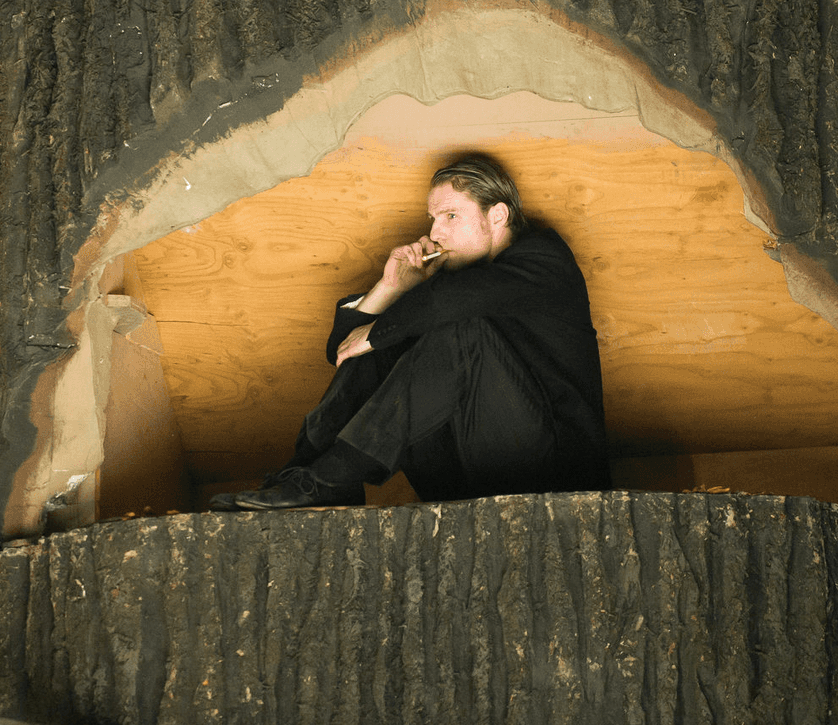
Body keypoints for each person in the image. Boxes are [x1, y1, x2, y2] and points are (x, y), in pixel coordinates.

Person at [210, 153, 609, 510]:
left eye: (450, 216)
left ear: (498, 216)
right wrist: (391, 288)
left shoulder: (543, 257)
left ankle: (330, 477)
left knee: (446, 332)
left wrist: (379, 330)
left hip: (555, 473)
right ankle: (304, 477)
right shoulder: (449, 291)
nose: (435, 233)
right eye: (433, 219)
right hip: (466, 473)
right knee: (389, 341)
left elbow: (452, 302)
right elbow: (341, 351)